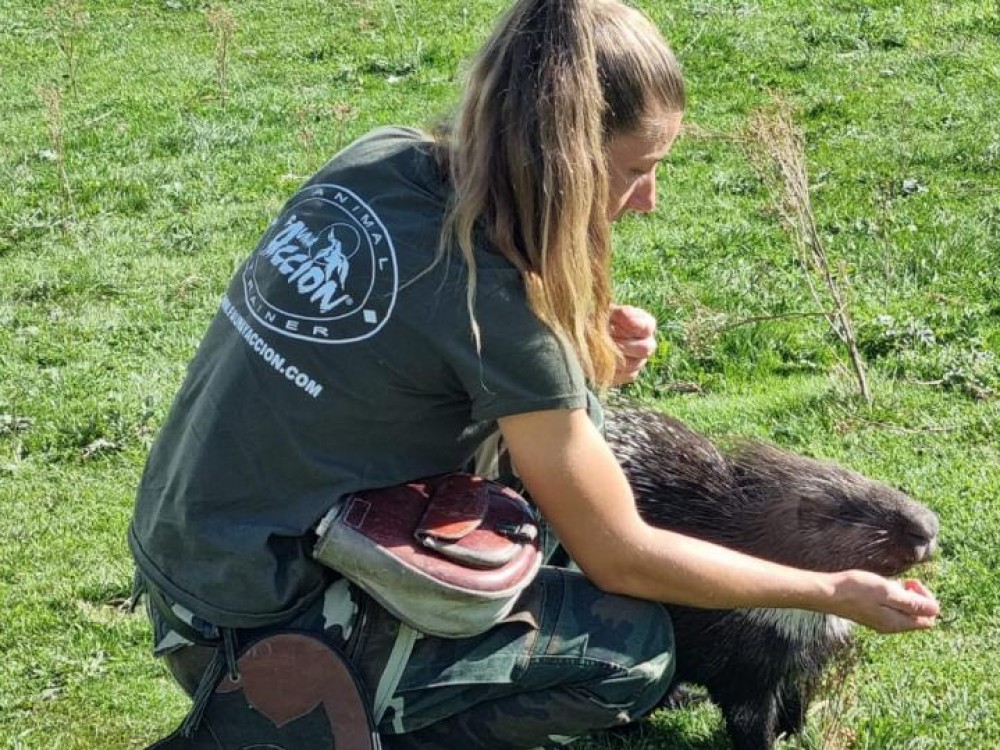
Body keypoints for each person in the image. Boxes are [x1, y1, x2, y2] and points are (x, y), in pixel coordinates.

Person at [129, 0, 940, 748]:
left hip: (187, 571)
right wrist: (830, 592)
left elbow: (403, 350)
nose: (648, 199)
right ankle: (304, 722)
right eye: (636, 169)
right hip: (258, 625)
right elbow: (620, 555)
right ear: (567, 159)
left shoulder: (380, 157)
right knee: (632, 654)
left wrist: (575, 359)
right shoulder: (498, 307)